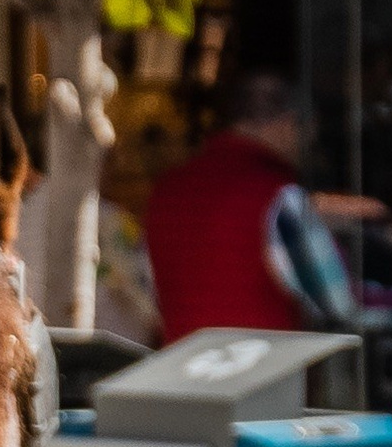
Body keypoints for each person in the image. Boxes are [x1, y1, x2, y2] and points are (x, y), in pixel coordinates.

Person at [143, 72, 362, 343]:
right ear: (289, 123)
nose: (306, 150)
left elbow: (148, 292)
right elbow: (335, 301)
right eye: (308, 138)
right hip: (265, 364)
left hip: (182, 362)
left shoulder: (166, 189)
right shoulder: (278, 195)